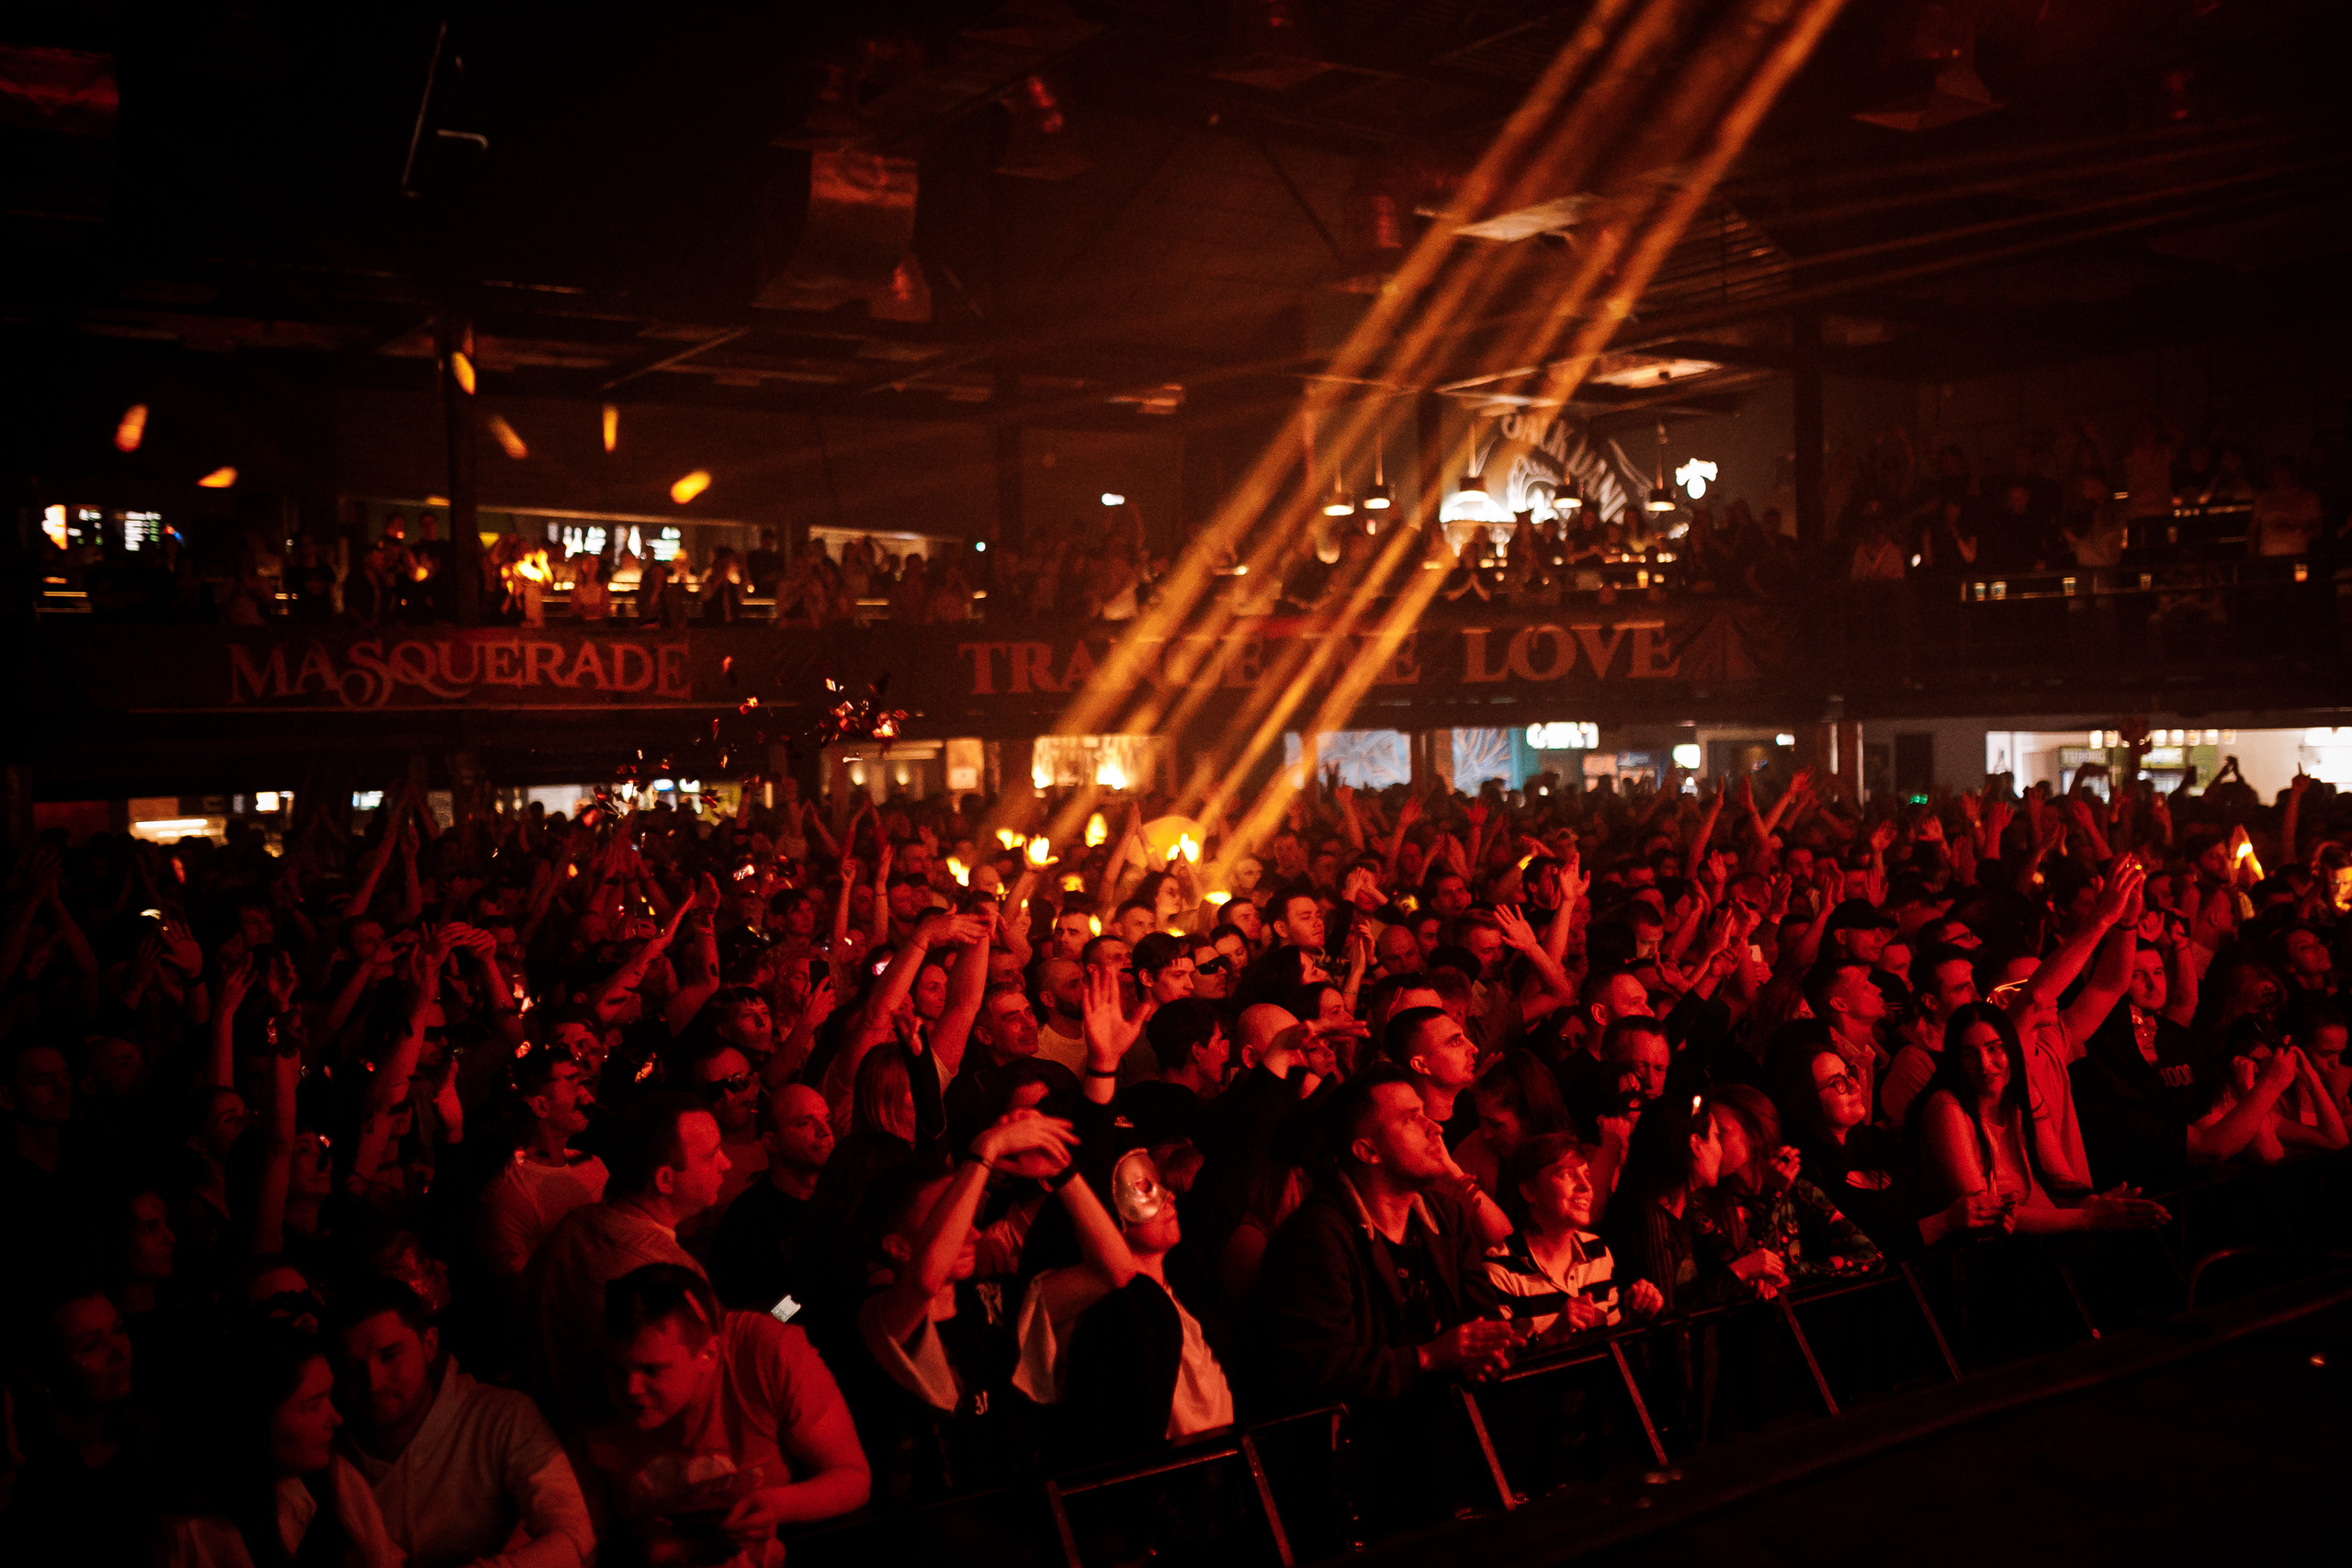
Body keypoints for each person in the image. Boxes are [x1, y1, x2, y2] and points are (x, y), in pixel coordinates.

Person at [1252, 1066, 1512, 1411]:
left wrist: (1496, 1347)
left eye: (1424, 1113)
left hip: (1452, 1429)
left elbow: (1482, 1316)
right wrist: (1427, 1357)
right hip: (1362, 1447)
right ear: (1367, 1151)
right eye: (1410, 1118)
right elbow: (1317, 1367)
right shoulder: (1315, 1238)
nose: (1434, 1128)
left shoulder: (1446, 1216)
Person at [582, 1264, 868, 1564]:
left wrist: (771, 1505)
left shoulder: (765, 1352)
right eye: (617, 1367)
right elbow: (588, 1535)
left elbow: (853, 1478)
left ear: (709, 1354)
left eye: (651, 1370)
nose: (631, 1389)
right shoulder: (583, 1385)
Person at [326, 1278, 593, 1568]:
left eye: (390, 1356)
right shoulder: (325, 1443)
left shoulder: (502, 1417)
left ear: (429, 1344)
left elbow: (575, 1534)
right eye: (351, 1368)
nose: (373, 1382)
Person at [528, 1092, 727, 1422]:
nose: (727, 1163)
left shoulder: (571, 1228)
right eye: (711, 1156)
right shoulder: (671, 1275)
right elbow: (704, 1389)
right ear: (665, 1179)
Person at [160, 1321, 403, 1568]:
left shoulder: (338, 1481)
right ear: (255, 1421)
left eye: (329, 1397)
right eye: (313, 1405)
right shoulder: (195, 1534)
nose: (336, 1419)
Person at [1913, 1004, 2170, 1235]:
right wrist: (2088, 1218)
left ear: (2010, 1049)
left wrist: (2100, 1205)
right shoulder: (1947, 1107)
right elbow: (1983, 1212)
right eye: (1968, 1054)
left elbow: (2060, 1180)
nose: (1985, 1064)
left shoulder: (2024, 1096)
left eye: (1994, 1048)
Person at [1485, 1134, 1662, 1343]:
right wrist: (1554, 1335)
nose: (1586, 1187)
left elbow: (1611, 1349)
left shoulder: (1597, 1252)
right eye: (1568, 1175)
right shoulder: (1501, 1269)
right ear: (1530, 1191)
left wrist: (1633, 1319)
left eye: (1586, 1175)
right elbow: (1499, 1365)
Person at [475, 1043, 606, 1286]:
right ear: (540, 1106)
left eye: (584, 1083)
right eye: (572, 1083)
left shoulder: (591, 1163)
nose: (587, 1097)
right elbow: (519, 1289)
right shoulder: (511, 1193)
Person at [708, 1083, 834, 1312]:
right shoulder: (748, 1220)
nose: (825, 1131)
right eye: (804, 1123)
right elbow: (755, 1320)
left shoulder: (846, 1197)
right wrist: (800, 1298)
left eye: (827, 1120)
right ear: (771, 1142)